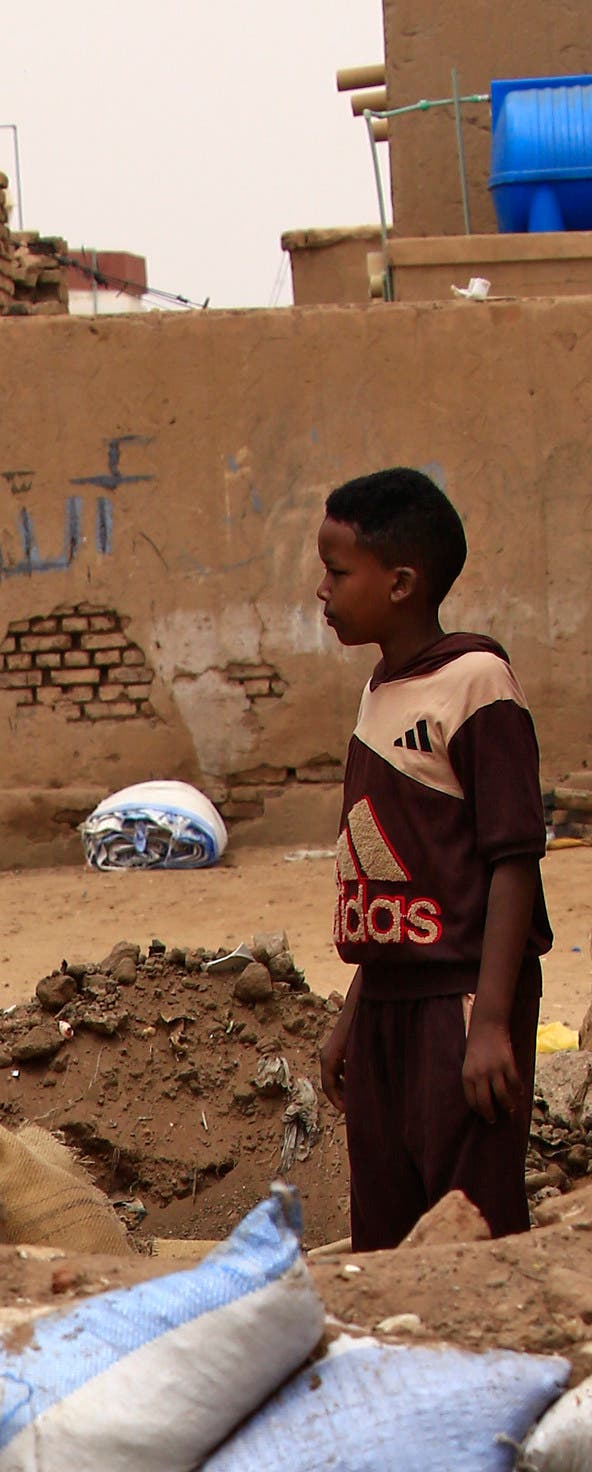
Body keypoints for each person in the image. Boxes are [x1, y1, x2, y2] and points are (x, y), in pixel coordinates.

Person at [314, 465, 549, 1245]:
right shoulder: (380, 690)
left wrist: (489, 1026)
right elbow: (390, 872)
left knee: (469, 1223)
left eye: (338, 572)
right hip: (388, 1002)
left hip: (461, 1001)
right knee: (387, 1227)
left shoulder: (478, 683)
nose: (322, 589)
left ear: (402, 582)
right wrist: (355, 1012)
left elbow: (512, 861)